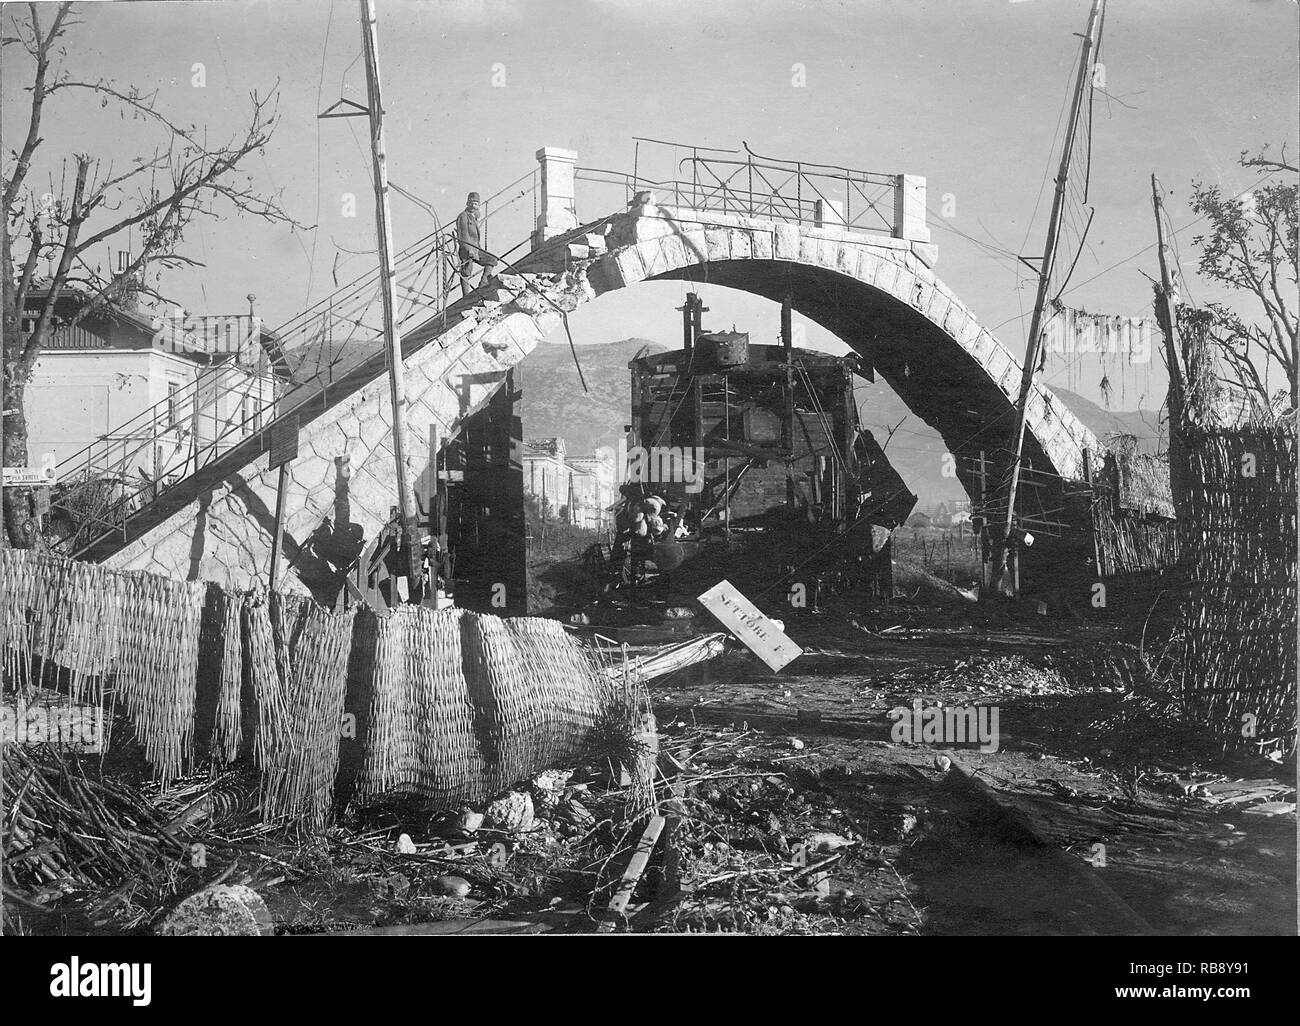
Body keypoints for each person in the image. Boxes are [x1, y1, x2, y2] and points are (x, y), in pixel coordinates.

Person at [456, 192, 495, 297]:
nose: (474, 205)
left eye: (477, 203)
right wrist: (468, 249)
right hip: (466, 249)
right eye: (472, 202)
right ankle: (466, 295)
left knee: (492, 260)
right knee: (466, 272)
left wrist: (477, 218)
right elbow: (463, 234)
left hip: (476, 249)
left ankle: (483, 284)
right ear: (467, 203)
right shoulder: (463, 216)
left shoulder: (473, 217)